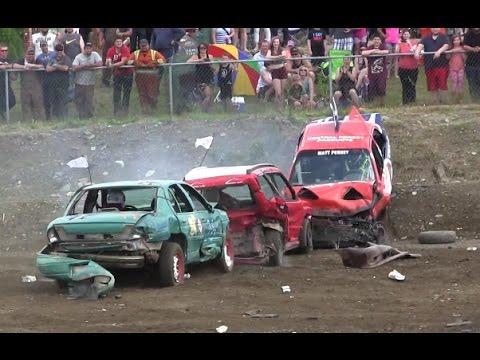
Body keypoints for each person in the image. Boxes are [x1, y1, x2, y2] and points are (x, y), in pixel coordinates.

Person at [128, 39, 165, 115]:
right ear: (139, 46)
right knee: (142, 94)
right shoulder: (136, 53)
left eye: (145, 45)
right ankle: (144, 111)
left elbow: (163, 60)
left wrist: (154, 62)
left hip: (152, 75)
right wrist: (136, 62)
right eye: (142, 46)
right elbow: (128, 61)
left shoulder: (154, 53)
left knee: (152, 93)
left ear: (148, 45)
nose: (144, 47)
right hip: (140, 75)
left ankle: (153, 110)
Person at [415, 28, 450, 104]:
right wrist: (417, 52)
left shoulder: (443, 37)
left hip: (442, 65)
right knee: (432, 86)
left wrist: (439, 51)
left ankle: (444, 103)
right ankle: (435, 103)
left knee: (442, 85)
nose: (435, 29)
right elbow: (420, 45)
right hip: (429, 66)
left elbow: (446, 45)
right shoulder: (426, 38)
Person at [72, 42, 102, 119]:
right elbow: (74, 67)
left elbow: (100, 63)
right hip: (79, 82)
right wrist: (83, 65)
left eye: (90, 48)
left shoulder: (95, 54)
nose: (88, 50)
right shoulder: (79, 56)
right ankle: (81, 116)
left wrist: (90, 65)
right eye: (87, 48)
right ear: (84, 49)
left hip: (90, 83)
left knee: (89, 100)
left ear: (92, 49)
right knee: (79, 100)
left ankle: (90, 116)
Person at [106, 37, 133, 117]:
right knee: (116, 94)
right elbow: (108, 60)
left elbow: (123, 62)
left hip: (127, 74)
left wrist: (112, 65)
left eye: (120, 41)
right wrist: (108, 62)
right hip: (117, 74)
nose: (118, 42)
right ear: (114, 43)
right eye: (117, 41)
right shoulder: (111, 50)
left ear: (122, 42)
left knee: (126, 93)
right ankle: (117, 113)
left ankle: (125, 113)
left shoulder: (125, 48)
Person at [57, 28, 85, 103]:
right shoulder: (63, 37)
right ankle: (70, 98)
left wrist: (82, 59)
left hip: (78, 62)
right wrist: (67, 62)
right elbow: (61, 51)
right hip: (68, 63)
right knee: (70, 81)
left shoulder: (78, 36)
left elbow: (82, 48)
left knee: (79, 81)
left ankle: (79, 97)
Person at [45, 44, 72, 119]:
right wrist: (59, 67)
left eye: (60, 50)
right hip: (53, 84)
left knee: (63, 102)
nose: (59, 52)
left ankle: (65, 118)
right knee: (54, 102)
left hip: (63, 84)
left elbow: (66, 68)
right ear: (55, 50)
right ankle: (55, 118)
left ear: (63, 50)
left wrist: (55, 66)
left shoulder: (66, 58)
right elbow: (47, 69)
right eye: (57, 50)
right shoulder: (52, 58)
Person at [18, 47, 45, 121]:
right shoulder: (21, 61)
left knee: (38, 105)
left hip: (36, 88)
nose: (30, 56)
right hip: (25, 88)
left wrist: (32, 66)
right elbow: (13, 65)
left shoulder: (37, 60)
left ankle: (40, 122)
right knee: (26, 105)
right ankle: (28, 122)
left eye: (32, 54)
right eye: (29, 54)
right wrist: (24, 67)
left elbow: (43, 65)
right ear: (25, 54)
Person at [187, 43, 215, 112]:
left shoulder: (210, 56)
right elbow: (188, 62)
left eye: (204, 48)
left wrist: (208, 62)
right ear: (199, 49)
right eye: (201, 48)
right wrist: (199, 60)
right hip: (200, 78)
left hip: (209, 77)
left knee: (210, 95)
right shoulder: (196, 56)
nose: (203, 50)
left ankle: (207, 111)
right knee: (208, 94)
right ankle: (201, 111)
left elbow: (212, 66)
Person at [362, 35, 389, 105]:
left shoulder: (383, 46)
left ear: (380, 41)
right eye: (375, 39)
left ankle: (382, 104)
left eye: (378, 39)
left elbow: (386, 52)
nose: (376, 41)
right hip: (372, 72)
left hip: (381, 72)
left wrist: (377, 52)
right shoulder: (370, 47)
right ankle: (373, 104)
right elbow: (363, 53)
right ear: (373, 41)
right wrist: (373, 50)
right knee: (372, 87)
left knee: (381, 87)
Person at [0, 44, 24, 120]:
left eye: (5, 51)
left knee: (12, 101)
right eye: (2, 51)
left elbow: (14, 64)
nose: (4, 52)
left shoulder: (9, 60)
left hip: (6, 85)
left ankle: (1, 111)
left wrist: (8, 66)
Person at [395, 29, 419, 104]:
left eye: (407, 34)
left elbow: (415, 52)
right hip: (403, 68)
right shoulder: (400, 44)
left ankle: (412, 101)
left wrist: (409, 44)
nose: (406, 35)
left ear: (410, 35)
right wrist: (397, 44)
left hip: (413, 68)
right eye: (404, 34)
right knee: (405, 85)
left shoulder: (415, 43)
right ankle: (405, 101)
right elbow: (396, 53)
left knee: (412, 85)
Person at [35, 40, 56, 119]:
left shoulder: (54, 54)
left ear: (47, 45)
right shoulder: (39, 57)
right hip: (45, 80)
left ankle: (56, 116)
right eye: (42, 46)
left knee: (54, 98)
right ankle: (48, 117)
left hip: (54, 79)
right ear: (40, 47)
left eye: (45, 45)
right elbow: (39, 66)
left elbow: (57, 62)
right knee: (46, 100)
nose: (44, 47)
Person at [266, 36, 288, 108]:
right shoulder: (270, 50)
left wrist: (275, 57)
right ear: (272, 43)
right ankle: (277, 108)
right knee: (278, 92)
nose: (276, 43)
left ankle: (282, 107)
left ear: (279, 43)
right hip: (275, 72)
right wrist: (279, 57)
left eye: (277, 42)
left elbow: (284, 56)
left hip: (282, 70)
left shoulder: (282, 49)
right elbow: (267, 57)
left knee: (282, 91)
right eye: (274, 42)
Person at [448, 35, 466, 104]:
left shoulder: (462, 48)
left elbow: (464, 59)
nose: (456, 41)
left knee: (460, 82)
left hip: (460, 68)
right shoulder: (451, 49)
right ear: (452, 41)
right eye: (455, 40)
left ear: (460, 40)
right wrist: (452, 51)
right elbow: (448, 58)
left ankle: (460, 99)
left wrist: (462, 52)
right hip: (453, 68)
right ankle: (454, 97)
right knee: (454, 82)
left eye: (458, 40)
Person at [463, 28, 480, 102]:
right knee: (472, 83)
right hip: (470, 64)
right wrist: (473, 49)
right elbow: (464, 46)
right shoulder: (468, 34)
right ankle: (474, 101)